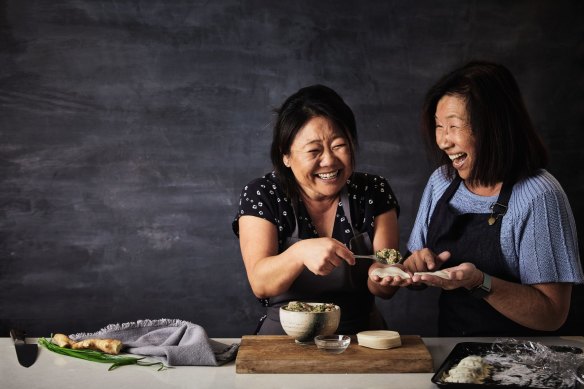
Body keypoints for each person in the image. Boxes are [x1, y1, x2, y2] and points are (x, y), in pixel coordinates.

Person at [403, 61, 584, 336]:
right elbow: (410, 264)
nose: (443, 141)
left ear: (493, 127)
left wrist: (479, 282)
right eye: (439, 126)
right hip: (456, 359)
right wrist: (413, 266)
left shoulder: (539, 195)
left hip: (526, 363)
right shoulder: (441, 182)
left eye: (453, 126)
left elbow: (552, 313)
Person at [233, 85, 406, 335]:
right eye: (314, 150)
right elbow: (261, 284)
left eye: (338, 145)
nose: (329, 161)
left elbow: (383, 282)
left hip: (361, 337)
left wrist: (385, 277)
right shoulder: (263, 194)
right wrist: (300, 252)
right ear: (286, 156)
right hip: (284, 336)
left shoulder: (373, 191)